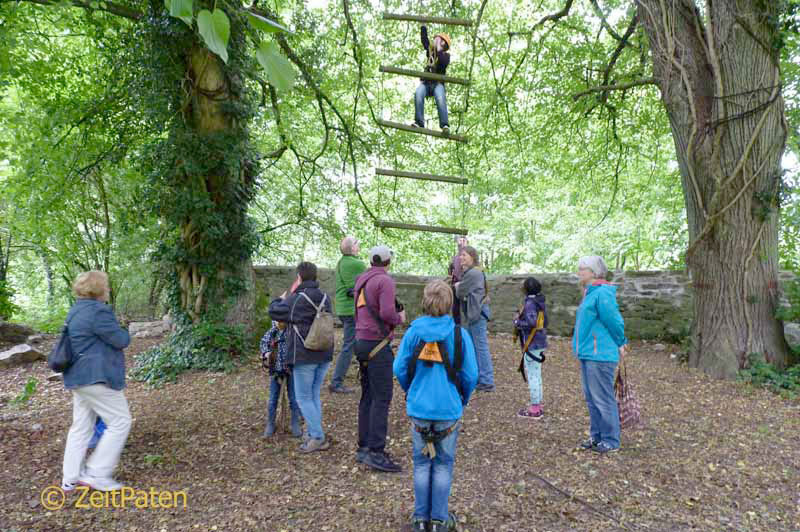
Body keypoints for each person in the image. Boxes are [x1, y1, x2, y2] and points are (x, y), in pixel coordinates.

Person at [394, 280, 478, 532]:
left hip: (420, 408)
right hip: (448, 410)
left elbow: (399, 368)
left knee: (421, 464)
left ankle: (420, 520)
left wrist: (411, 390)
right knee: (443, 463)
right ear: (450, 303)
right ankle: (440, 521)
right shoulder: (459, 335)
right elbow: (471, 375)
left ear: (425, 301)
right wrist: (460, 398)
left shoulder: (413, 333)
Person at [61, 270, 132, 492]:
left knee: (81, 426)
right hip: (96, 377)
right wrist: (123, 328)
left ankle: (70, 478)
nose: (108, 289)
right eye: (106, 286)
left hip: (77, 377)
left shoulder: (75, 311)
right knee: (120, 421)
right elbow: (121, 340)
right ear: (99, 289)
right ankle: (97, 473)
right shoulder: (98, 312)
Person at [268, 262, 334, 453]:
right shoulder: (325, 297)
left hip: (305, 356)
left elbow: (275, 311)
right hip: (324, 353)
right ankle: (315, 432)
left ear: (299, 277)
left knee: (303, 398)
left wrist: (278, 299)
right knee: (313, 395)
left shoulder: (297, 299)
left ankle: (318, 437)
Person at [353, 245, 405, 472]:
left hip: (361, 341)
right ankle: (376, 451)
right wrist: (399, 318)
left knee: (368, 395)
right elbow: (386, 313)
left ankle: (364, 446)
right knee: (382, 397)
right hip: (377, 343)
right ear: (388, 262)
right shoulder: (385, 281)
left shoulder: (362, 279)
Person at [573, 256, 627, 454]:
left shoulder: (602, 292)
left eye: (583, 268)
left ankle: (611, 440)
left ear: (594, 272)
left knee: (602, 397)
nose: (579, 271)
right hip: (588, 352)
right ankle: (597, 437)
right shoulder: (590, 292)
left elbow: (614, 320)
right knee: (591, 397)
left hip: (600, 354)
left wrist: (621, 342)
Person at [330, 236, 367, 394]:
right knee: (349, 346)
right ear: (352, 248)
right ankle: (336, 382)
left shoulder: (340, 263)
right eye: (357, 244)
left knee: (354, 343)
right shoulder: (358, 264)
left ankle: (362, 373)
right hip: (353, 310)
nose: (359, 245)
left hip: (343, 309)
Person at [454, 246, 494, 391]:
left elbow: (460, 292)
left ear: (472, 257)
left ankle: (487, 381)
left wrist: (458, 285)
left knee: (480, 347)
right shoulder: (474, 272)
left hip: (477, 314)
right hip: (475, 313)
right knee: (473, 346)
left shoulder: (473, 274)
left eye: (464, 255)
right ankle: (479, 378)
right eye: (460, 256)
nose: (461, 258)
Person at [259, 320, 302, 438]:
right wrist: (266, 353)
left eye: (282, 319)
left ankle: (295, 423)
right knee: (273, 399)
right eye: (277, 320)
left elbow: (300, 346)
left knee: (294, 398)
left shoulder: (292, 332)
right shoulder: (272, 333)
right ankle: (270, 423)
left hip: (291, 371)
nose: (279, 322)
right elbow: (263, 343)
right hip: (275, 371)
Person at [513, 277, 548, 419]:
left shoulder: (530, 304)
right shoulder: (540, 301)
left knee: (533, 375)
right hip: (539, 341)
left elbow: (531, 322)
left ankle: (535, 409)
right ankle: (538, 403)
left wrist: (517, 321)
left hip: (532, 343)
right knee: (537, 374)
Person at [413, 25, 451, 132]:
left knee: (440, 98)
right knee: (418, 94)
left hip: (438, 84)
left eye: (437, 39)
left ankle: (444, 125)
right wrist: (423, 27)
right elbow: (425, 41)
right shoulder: (431, 52)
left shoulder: (445, 56)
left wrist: (438, 47)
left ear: (443, 43)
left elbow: (443, 64)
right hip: (426, 83)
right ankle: (419, 122)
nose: (434, 41)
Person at [447, 235, 468, 325]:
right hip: (455, 284)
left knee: (466, 306)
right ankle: (457, 327)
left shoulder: (470, 257)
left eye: (464, 240)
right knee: (455, 308)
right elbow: (452, 271)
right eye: (460, 240)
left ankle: (467, 329)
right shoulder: (455, 257)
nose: (461, 242)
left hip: (466, 284)